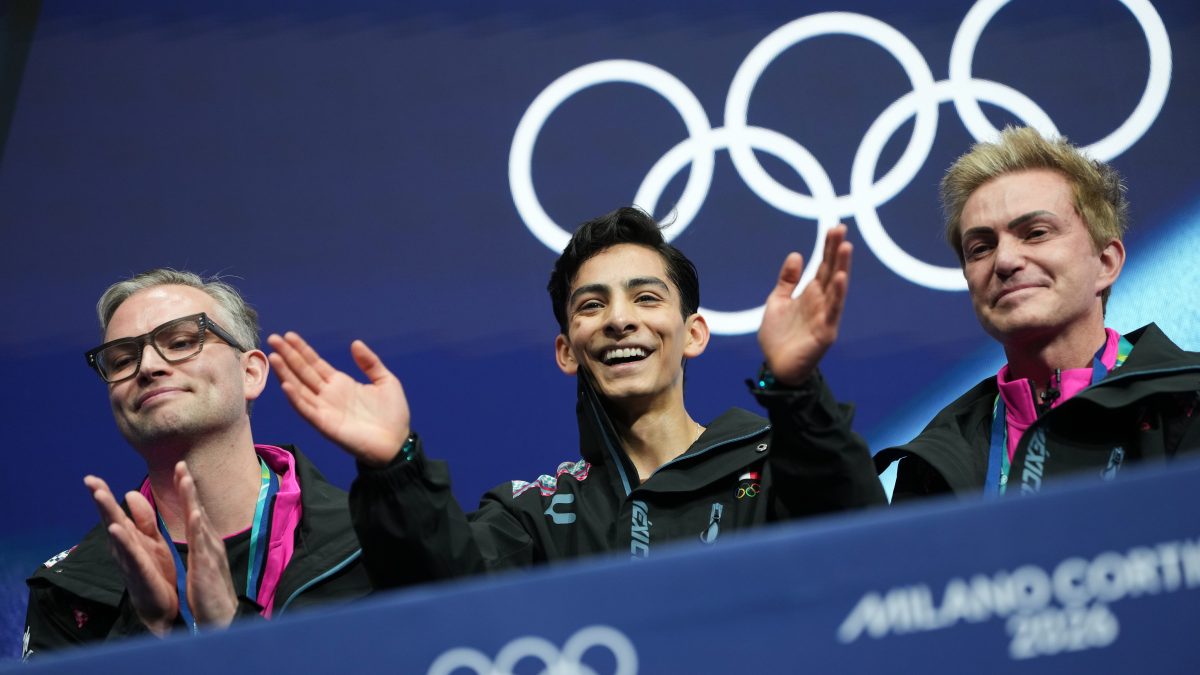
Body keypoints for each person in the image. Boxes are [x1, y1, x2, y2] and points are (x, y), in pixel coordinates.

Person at [269, 206, 884, 589]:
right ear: (567, 350)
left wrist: (797, 390)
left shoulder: (775, 466)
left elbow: (868, 545)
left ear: (693, 334)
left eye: (646, 298)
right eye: (592, 306)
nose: (619, 321)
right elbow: (441, 600)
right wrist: (393, 468)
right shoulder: (532, 516)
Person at [23, 270, 370, 659]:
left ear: (250, 373)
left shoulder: (372, 541)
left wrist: (229, 628)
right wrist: (147, 630)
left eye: (183, 341)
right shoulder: (68, 588)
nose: (148, 367)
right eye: (122, 360)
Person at [875, 126, 1200, 500]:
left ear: (1106, 263)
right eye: (980, 248)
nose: (1006, 261)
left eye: (1036, 232)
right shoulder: (930, 463)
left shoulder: (1190, 402)